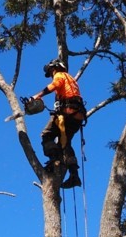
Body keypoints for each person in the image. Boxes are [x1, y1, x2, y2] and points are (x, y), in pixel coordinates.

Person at [28, 59, 86, 188]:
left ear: (55, 68)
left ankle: (54, 160)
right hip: (77, 115)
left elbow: (54, 85)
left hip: (67, 112)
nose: (52, 74)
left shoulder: (60, 75)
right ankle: (74, 174)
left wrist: (37, 96)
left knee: (46, 135)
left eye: (51, 71)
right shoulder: (71, 79)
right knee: (65, 143)